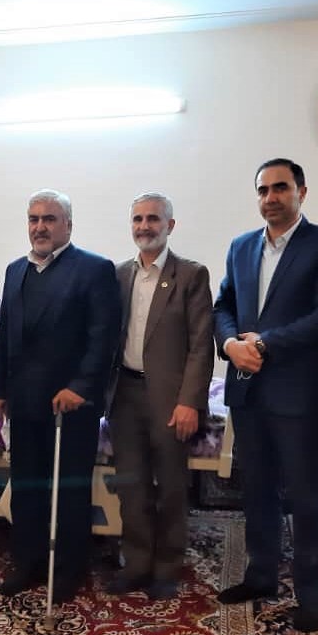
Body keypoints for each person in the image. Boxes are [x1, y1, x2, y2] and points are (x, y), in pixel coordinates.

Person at [213, 157, 318, 632]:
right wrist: (230, 345)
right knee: (257, 492)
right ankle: (261, 577)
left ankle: (312, 599)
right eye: (263, 189)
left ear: (301, 192)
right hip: (247, 391)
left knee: (308, 500)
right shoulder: (241, 246)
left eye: (280, 188)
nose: (270, 197)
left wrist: (265, 344)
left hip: (298, 395)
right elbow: (223, 305)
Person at [0, 189, 120, 603]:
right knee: (26, 486)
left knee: (68, 491)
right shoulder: (15, 270)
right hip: (24, 403)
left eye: (49, 219)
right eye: (34, 219)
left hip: (71, 406)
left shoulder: (94, 269)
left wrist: (80, 387)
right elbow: (6, 335)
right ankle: (26, 563)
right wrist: (0, 390)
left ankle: (67, 569)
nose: (40, 227)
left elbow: (103, 338)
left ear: (68, 225)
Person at [106, 192, 214, 600]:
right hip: (125, 395)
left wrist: (190, 401)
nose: (144, 226)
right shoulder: (119, 275)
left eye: (152, 218)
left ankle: (167, 568)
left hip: (170, 399)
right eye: (137, 219)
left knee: (170, 488)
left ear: (170, 225)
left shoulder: (191, 275)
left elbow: (201, 345)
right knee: (131, 486)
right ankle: (136, 565)